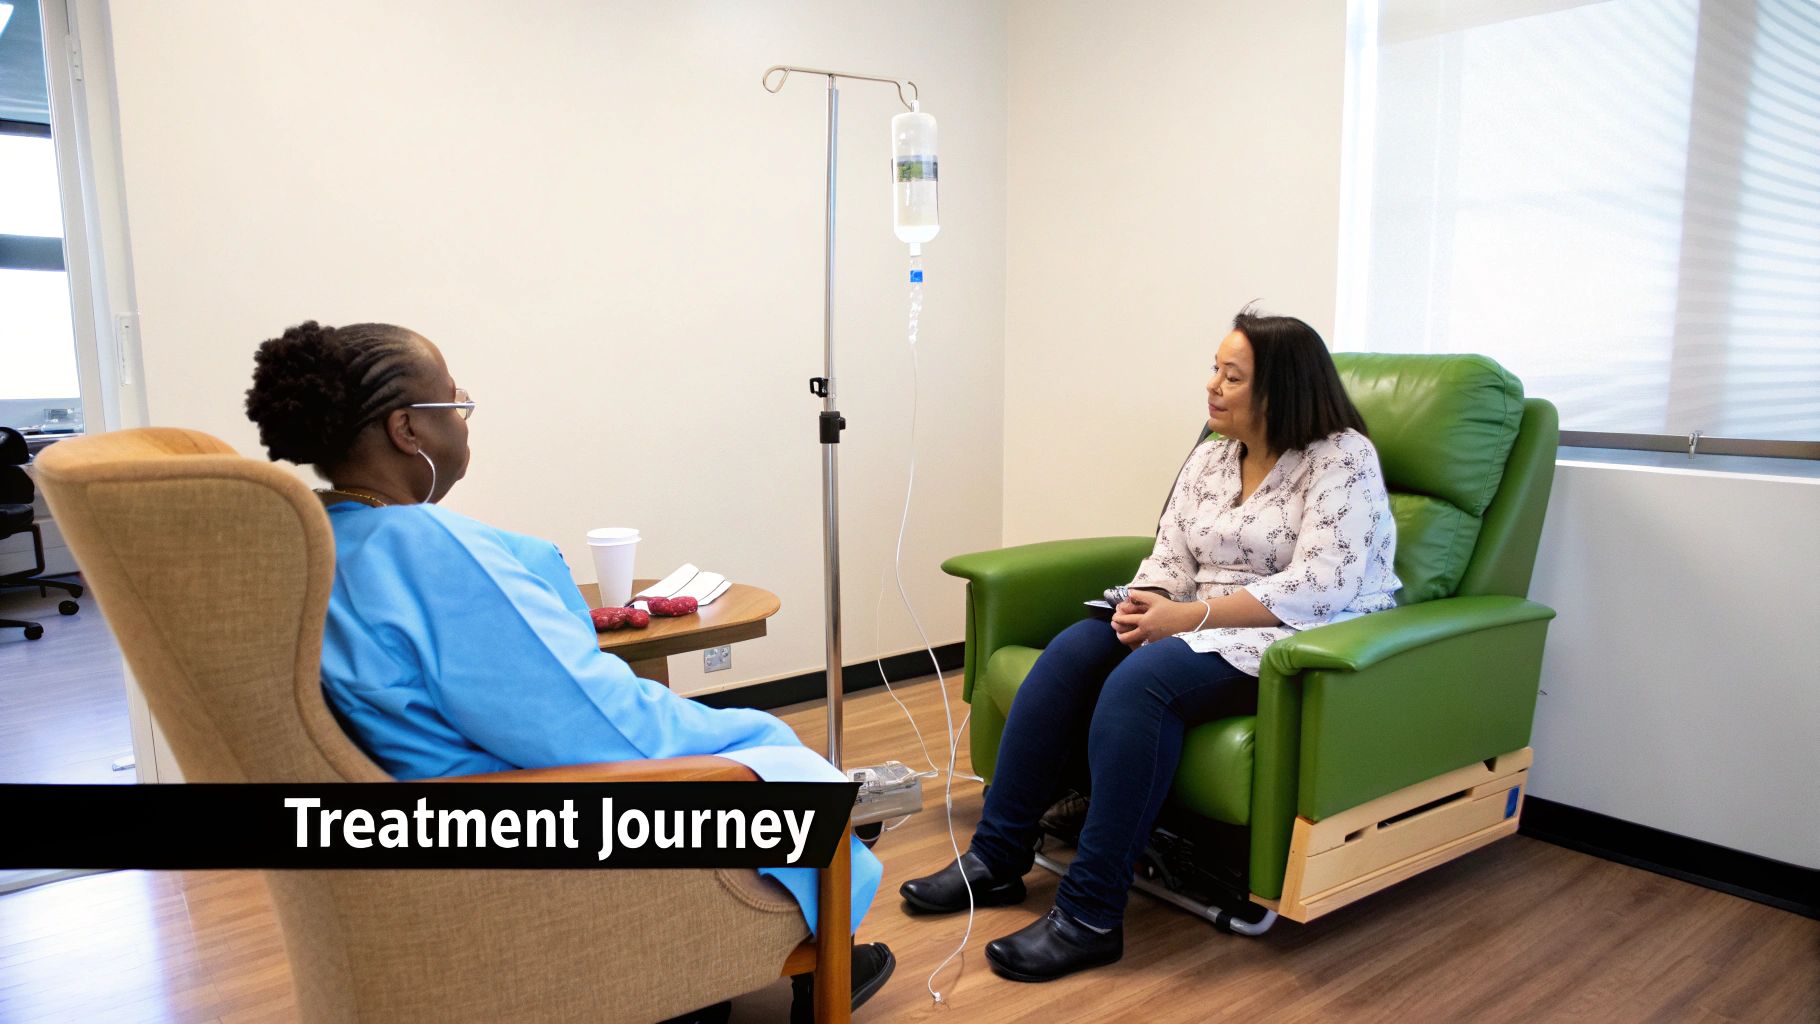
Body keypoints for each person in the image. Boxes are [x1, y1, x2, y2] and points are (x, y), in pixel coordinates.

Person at [243, 320, 892, 1022]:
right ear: (407, 429)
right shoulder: (423, 548)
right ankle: (812, 958)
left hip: (420, 818)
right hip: (527, 833)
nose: (463, 422)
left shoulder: (316, 540)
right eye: (455, 404)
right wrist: (753, 737)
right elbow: (598, 725)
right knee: (781, 766)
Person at [900, 308, 1402, 982]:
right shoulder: (1213, 453)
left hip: (1296, 637)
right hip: (1196, 618)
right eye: (1214, 370)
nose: (1212, 387)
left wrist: (1188, 618)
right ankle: (996, 858)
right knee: (1076, 651)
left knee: (1143, 683)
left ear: (1280, 389)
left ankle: (1090, 916)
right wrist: (1150, 603)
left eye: (1232, 377)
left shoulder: (1341, 457)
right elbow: (1170, 552)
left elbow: (1322, 585)